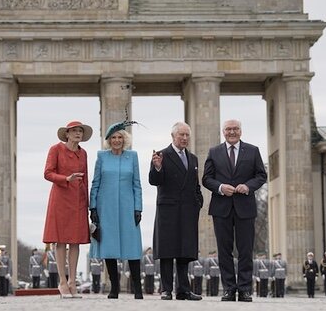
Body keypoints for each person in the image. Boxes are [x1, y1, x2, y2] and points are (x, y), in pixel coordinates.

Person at [202, 119, 267, 302]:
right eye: (228, 129)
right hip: (221, 208)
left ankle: (245, 289)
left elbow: (261, 175)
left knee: (246, 250)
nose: (232, 132)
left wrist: (248, 186)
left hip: (245, 207)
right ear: (223, 132)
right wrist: (221, 187)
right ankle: (229, 289)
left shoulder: (253, 151)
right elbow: (206, 178)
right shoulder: (214, 152)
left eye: (235, 129)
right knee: (224, 251)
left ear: (241, 131)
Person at [149, 121, 203, 301]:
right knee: (167, 251)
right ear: (173, 136)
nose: (185, 138)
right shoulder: (161, 155)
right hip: (168, 210)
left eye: (187, 135)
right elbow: (155, 181)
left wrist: (198, 202)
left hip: (188, 210)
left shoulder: (193, 158)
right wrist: (157, 167)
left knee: (184, 252)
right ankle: (166, 290)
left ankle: (184, 290)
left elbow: (195, 184)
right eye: (181, 135)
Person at [89, 121, 144, 299]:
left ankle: (137, 288)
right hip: (107, 208)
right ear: (108, 140)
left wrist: (138, 208)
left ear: (125, 139)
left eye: (120, 137)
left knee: (133, 247)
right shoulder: (102, 157)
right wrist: (93, 207)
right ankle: (114, 288)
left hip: (128, 207)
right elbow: (95, 183)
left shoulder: (133, 156)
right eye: (113, 137)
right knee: (109, 247)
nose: (117, 140)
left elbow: (137, 184)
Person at [43, 120, 93, 298]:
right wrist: (66, 178)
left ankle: (73, 281)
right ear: (67, 134)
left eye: (80, 131)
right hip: (61, 197)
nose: (78, 133)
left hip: (78, 200)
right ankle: (62, 282)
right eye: (74, 131)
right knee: (60, 240)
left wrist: (88, 204)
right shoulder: (55, 149)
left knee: (75, 241)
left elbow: (86, 179)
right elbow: (47, 173)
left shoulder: (84, 153)